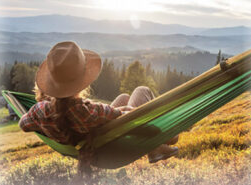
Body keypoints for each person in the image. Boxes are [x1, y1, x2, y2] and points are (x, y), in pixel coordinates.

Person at [18, 41, 178, 164]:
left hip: (91, 139)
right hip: (110, 143)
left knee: (123, 96)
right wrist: (164, 128)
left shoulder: (39, 112)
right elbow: (127, 117)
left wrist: (47, 128)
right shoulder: (90, 111)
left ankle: (157, 146)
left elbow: (23, 125)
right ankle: (154, 147)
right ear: (82, 81)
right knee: (141, 91)